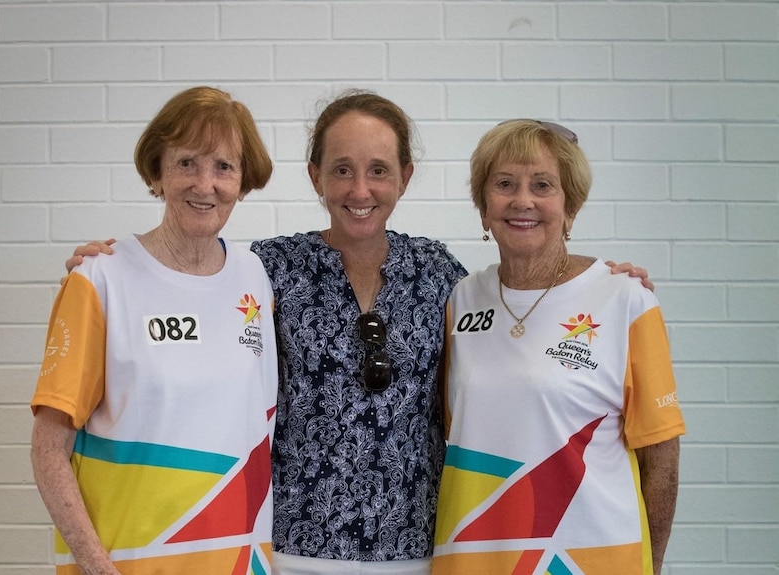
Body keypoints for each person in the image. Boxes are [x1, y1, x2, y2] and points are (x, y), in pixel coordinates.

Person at [63, 92, 654, 575]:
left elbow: (508, 347)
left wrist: (598, 281)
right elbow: (185, 272)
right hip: (289, 548)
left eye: (378, 171)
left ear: (405, 176)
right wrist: (118, 264)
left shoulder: (440, 274)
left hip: (416, 551)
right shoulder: (267, 268)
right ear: (316, 175)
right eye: (341, 170)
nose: (359, 190)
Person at [30, 86, 278, 575]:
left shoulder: (256, 276)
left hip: (240, 562)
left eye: (224, 167)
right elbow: (47, 449)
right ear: (158, 171)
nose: (205, 184)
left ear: (243, 182)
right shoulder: (100, 279)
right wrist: (96, 567)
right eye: (187, 162)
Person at [433, 119, 684, 575]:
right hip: (473, 558)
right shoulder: (460, 300)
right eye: (504, 184)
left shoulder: (625, 298)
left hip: (587, 560)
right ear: (483, 206)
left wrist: (653, 566)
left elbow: (661, 459)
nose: (522, 200)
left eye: (543, 185)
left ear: (571, 206)